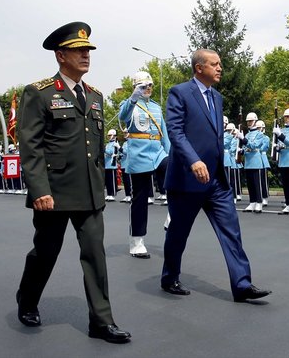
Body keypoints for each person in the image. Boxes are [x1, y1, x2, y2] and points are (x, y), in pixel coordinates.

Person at [16, 21, 130, 343]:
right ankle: (27, 300)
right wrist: (39, 190)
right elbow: (31, 145)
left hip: (91, 191)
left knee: (95, 254)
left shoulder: (95, 96)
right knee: (46, 252)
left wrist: (102, 188)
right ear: (60, 55)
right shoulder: (39, 93)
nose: (86, 56)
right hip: (54, 192)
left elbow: (94, 147)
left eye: (88, 50)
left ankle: (101, 322)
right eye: (78, 51)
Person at [161, 48, 271, 303]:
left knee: (231, 230)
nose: (220, 68)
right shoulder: (180, 92)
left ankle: (242, 284)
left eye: (220, 63)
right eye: (214, 64)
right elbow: (175, 132)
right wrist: (193, 161)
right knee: (178, 233)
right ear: (199, 67)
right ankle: (169, 278)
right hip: (187, 180)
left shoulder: (217, 97)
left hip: (216, 181)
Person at [118, 71, 170, 258]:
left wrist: (170, 153)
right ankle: (137, 241)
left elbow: (163, 132)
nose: (147, 88)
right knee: (140, 197)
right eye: (142, 86)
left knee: (173, 175)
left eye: (149, 85)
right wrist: (133, 98)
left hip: (157, 151)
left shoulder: (156, 107)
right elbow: (123, 118)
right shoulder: (128, 104)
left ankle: (171, 216)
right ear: (135, 87)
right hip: (139, 153)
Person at [240, 112, 266, 213]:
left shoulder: (260, 134)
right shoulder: (247, 134)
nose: (249, 123)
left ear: (255, 121)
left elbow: (254, 146)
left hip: (255, 160)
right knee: (250, 183)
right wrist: (241, 150)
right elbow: (245, 147)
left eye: (250, 121)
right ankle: (252, 202)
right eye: (248, 121)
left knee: (257, 183)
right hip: (248, 161)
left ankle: (259, 202)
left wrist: (243, 140)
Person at [104, 129, 120, 201]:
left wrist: (104, 149)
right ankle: (109, 194)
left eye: (110, 135)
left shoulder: (115, 144)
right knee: (108, 181)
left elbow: (111, 152)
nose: (109, 137)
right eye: (109, 135)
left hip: (111, 164)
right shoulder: (108, 144)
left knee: (112, 181)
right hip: (106, 164)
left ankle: (113, 194)